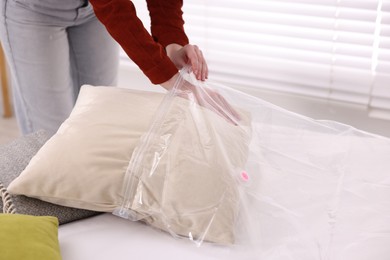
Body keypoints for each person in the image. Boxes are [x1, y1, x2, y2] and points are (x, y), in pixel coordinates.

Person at [0, 0, 208, 136]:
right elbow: (112, 6)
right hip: (33, 8)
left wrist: (172, 43)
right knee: (50, 137)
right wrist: (167, 77)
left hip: (92, 11)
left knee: (99, 120)